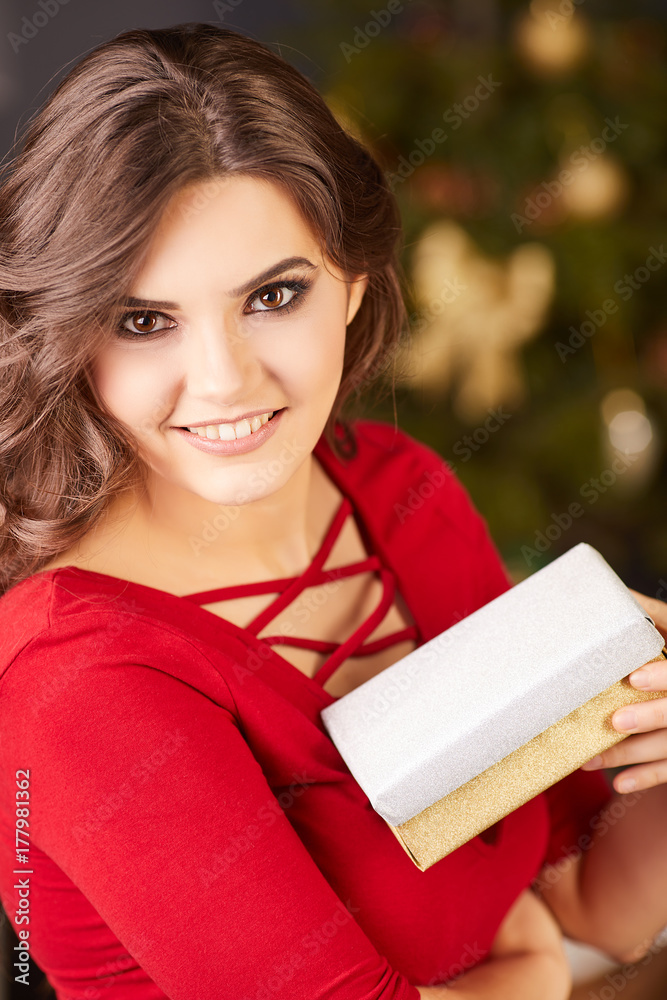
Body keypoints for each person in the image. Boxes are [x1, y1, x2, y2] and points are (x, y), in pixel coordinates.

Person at [0, 22, 665, 1000]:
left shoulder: (398, 491)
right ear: (70, 335)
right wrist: (524, 983)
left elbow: (589, 906)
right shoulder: (73, 679)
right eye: (143, 320)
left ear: (351, 283)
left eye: (274, 295)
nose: (224, 380)